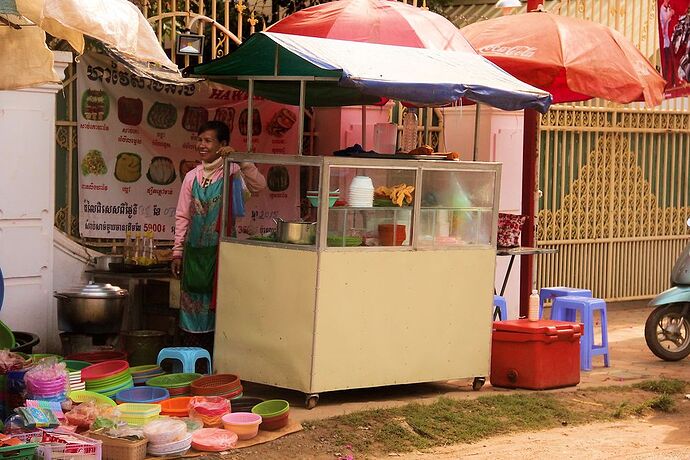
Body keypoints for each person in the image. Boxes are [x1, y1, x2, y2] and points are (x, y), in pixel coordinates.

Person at [171, 120, 266, 353]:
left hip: (223, 253)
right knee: (193, 305)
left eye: (208, 140)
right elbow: (182, 216)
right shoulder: (192, 176)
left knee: (220, 305)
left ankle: (218, 359)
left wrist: (240, 159)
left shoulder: (233, 172)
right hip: (194, 253)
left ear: (222, 144)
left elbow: (259, 185)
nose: (202, 145)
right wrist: (177, 252)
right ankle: (194, 356)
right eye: (199, 140)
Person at [660, 0, 676, 86]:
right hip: (665, 40)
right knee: (667, 62)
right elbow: (664, 21)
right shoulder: (662, 9)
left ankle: (672, 81)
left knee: (671, 60)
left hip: (668, 38)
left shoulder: (667, 8)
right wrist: (670, 14)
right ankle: (667, 81)